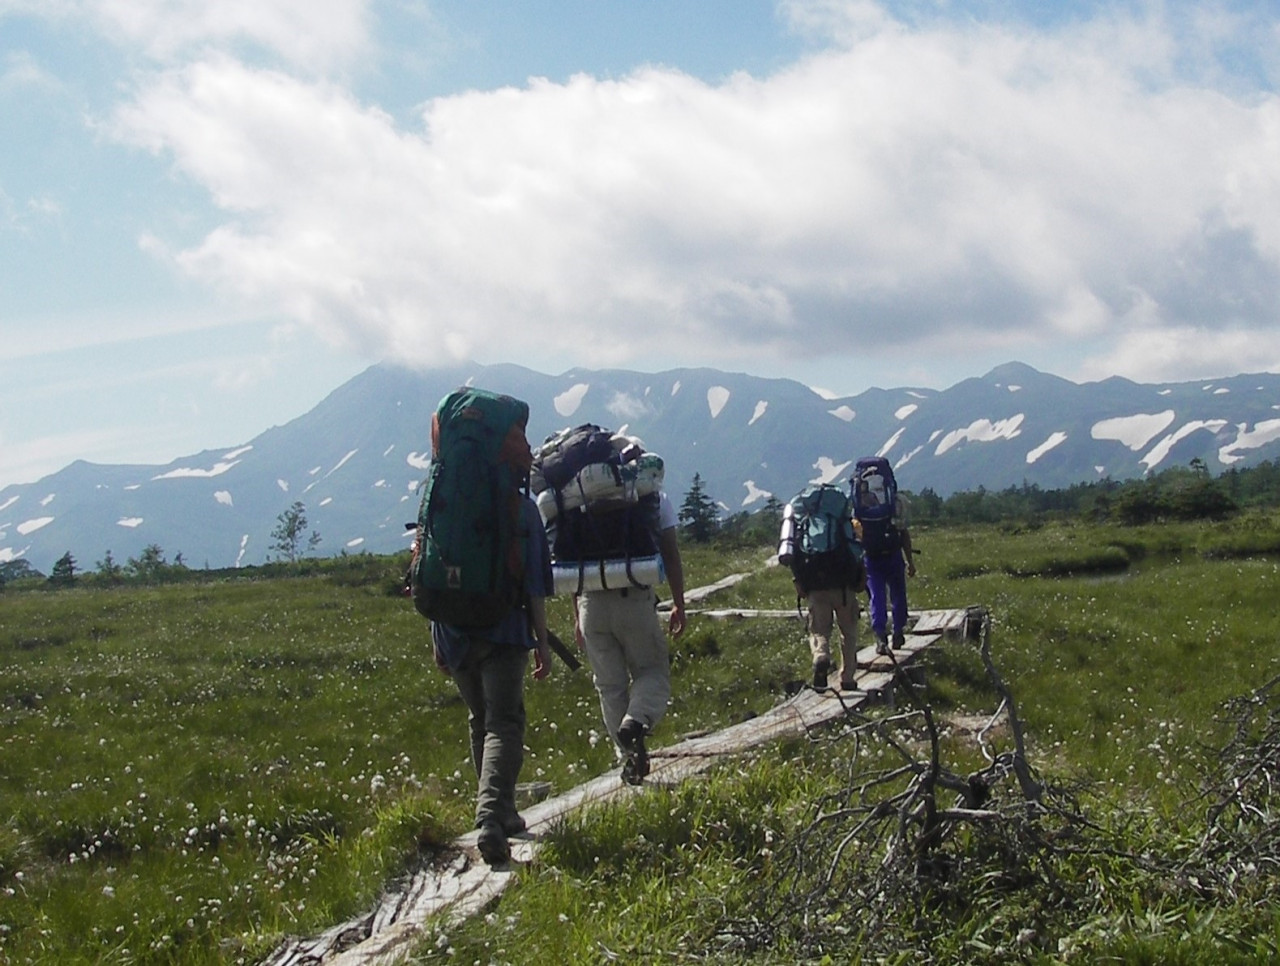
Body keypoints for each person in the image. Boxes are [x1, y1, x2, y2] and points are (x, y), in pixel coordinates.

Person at [429, 495, 553, 866]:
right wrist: (542, 643)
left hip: (453, 632)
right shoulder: (520, 508)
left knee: (480, 719)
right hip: (504, 628)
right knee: (504, 722)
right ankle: (491, 820)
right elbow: (534, 584)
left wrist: (436, 638)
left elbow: (430, 571)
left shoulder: (443, 499)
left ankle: (503, 812)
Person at [574, 490, 686, 785]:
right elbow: (670, 553)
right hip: (634, 597)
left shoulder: (580, 496)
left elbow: (575, 557)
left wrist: (577, 616)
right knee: (652, 671)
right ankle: (636, 720)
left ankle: (629, 760)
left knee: (610, 686)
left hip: (590, 603)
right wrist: (678, 603)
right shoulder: (651, 494)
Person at [861, 491, 916, 654]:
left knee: (877, 596)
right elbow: (904, 535)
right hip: (893, 557)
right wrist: (910, 562)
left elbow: (856, 540)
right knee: (898, 594)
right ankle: (898, 632)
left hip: (871, 560)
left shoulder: (860, 512)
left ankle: (880, 636)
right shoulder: (892, 507)